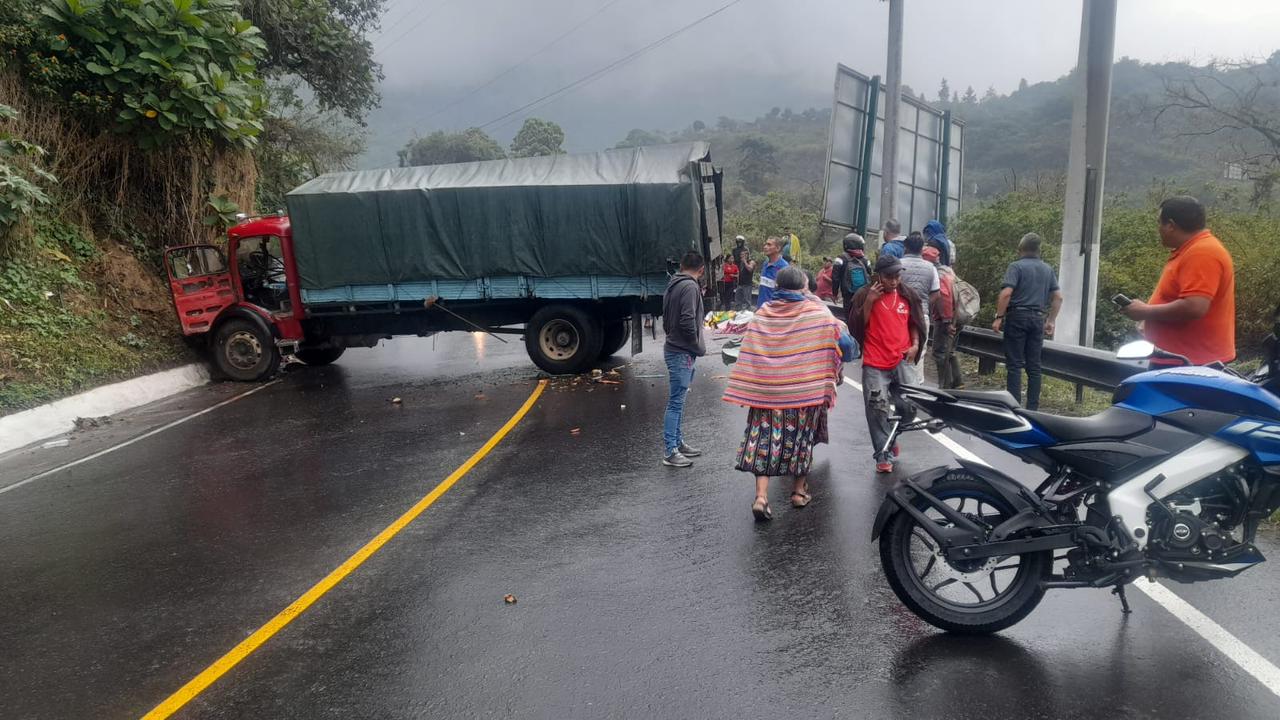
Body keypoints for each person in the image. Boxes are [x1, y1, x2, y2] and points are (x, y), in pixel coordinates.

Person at [724, 266, 856, 521]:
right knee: (801, 440)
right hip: (804, 392)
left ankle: (761, 497)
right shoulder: (818, 313)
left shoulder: (763, 314)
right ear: (802, 288)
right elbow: (847, 346)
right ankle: (797, 492)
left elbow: (750, 350)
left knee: (763, 440)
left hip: (766, 393)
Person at [1121, 196, 1236, 366]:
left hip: (1191, 364)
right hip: (1179, 358)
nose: (1158, 228)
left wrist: (1146, 311)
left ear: (1171, 225)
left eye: (1159, 223)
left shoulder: (1202, 253)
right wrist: (1150, 318)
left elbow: (1194, 307)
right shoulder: (1190, 249)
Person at [847, 255, 927, 473]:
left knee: (910, 407)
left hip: (902, 359)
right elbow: (856, 327)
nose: (894, 281)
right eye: (889, 277)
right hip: (875, 362)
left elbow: (915, 322)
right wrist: (871, 301)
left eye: (897, 276)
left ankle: (891, 432)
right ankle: (883, 454)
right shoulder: (865, 294)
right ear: (879, 275)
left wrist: (915, 345)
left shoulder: (907, 294)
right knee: (876, 409)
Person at [992, 233, 1063, 410]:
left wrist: (999, 317)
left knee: (1015, 365)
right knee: (1034, 366)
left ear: (1020, 249)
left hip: (1017, 317)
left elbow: (1006, 293)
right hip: (1038, 319)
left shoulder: (1016, 267)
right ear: (1039, 250)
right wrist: (1051, 321)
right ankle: (1033, 409)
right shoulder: (1047, 269)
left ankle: (1014, 407)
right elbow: (1058, 297)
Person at [662, 251, 707, 468]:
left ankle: (678, 443)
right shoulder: (689, 286)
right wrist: (695, 345)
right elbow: (688, 319)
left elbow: (667, 318)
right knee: (676, 402)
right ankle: (670, 451)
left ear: (681, 265)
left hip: (676, 348)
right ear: (701, 269)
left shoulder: (674, 283)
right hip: (681, 350)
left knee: (679, 401)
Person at [898, 232, 941, 384]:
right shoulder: (931, 268)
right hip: (922, 314)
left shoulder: (898, 264)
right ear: (922, 249)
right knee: (920, 351)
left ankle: (898, 381)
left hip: (899, 314)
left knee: (898, 346)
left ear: (905, 247)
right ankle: (917, 385)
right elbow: (936, 293)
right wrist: (923, 305)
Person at [923, 246, 963, 389]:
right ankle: (958, 382)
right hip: (957, 315)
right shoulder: (948, 270)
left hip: (945, 318)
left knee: (939, 352)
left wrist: (947, 322)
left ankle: (944, 386)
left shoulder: (937, 275)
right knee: (949, 350)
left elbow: (944, 298)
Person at [832, 232, 873, 316]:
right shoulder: (865, 260)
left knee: (848, 316)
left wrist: (834, 294)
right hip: (862, 294)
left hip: (847, 294)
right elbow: (871, 275)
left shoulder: (840, 259)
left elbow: (835, 278)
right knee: (860, 316)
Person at [755, 236, 790, 307]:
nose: (765, 247)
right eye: (765, 244)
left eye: (769, 245)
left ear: (778, 248)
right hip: (761, 308)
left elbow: (786, 293)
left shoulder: (784, 268)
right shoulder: (765, 263)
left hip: (773, 311)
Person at [731, 235, 754, 309]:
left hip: (747, 284)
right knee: (737, 301)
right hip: (740, 283)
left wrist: (744, 261)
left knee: (747, 301)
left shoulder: (750, 261)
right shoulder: (734, 250)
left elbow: (750, 269)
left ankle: (748, 313)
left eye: (743, 255)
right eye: (738, 242)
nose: (742, 256)